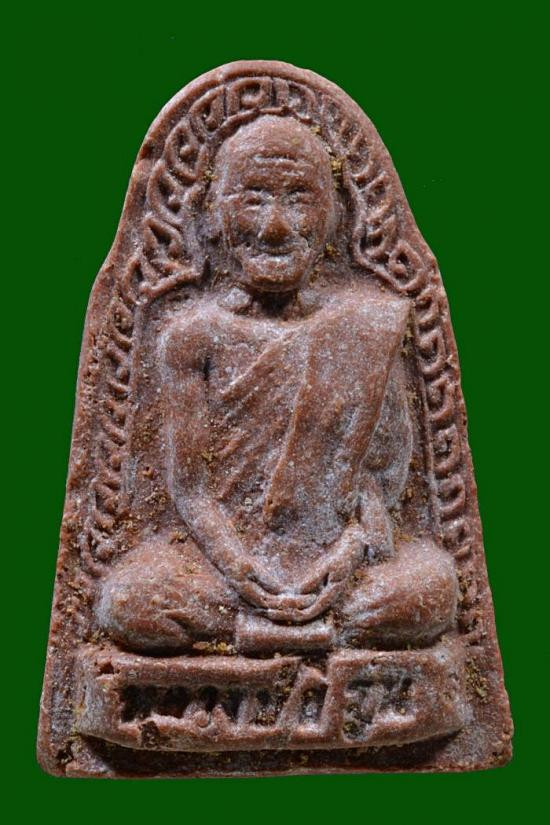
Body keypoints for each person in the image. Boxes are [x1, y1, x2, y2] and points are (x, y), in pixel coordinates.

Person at [97, 116, 457, 653]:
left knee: (432, 589)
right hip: (223, 566)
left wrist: (348, 555)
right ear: (212, 215)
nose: (275, 227)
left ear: (334, 216)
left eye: (299, 199)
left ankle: (287, 632)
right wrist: (243, 573)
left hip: (337, 565)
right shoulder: (190, 336)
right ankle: (283, 632)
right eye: (253, 199)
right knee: (128, 600)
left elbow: (380, 486)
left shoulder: (369, 327)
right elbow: (191, 491)